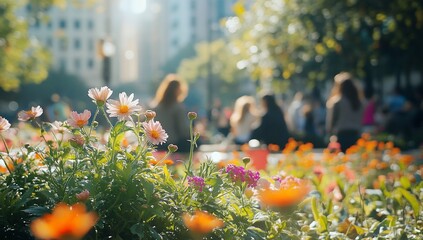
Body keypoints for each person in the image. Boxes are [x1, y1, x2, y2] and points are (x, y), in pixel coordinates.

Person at [151, 74, 190, 152]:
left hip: (156, 145)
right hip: (173, 145)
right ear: (179, 91)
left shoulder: (155, 108)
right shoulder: (178, 108)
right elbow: (184, 131)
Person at [326, 72, 363, 152]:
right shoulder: (358, 102)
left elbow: (331, 121)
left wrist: (329, 133)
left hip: (342, 134)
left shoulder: (337, 101)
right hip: (356, 133)